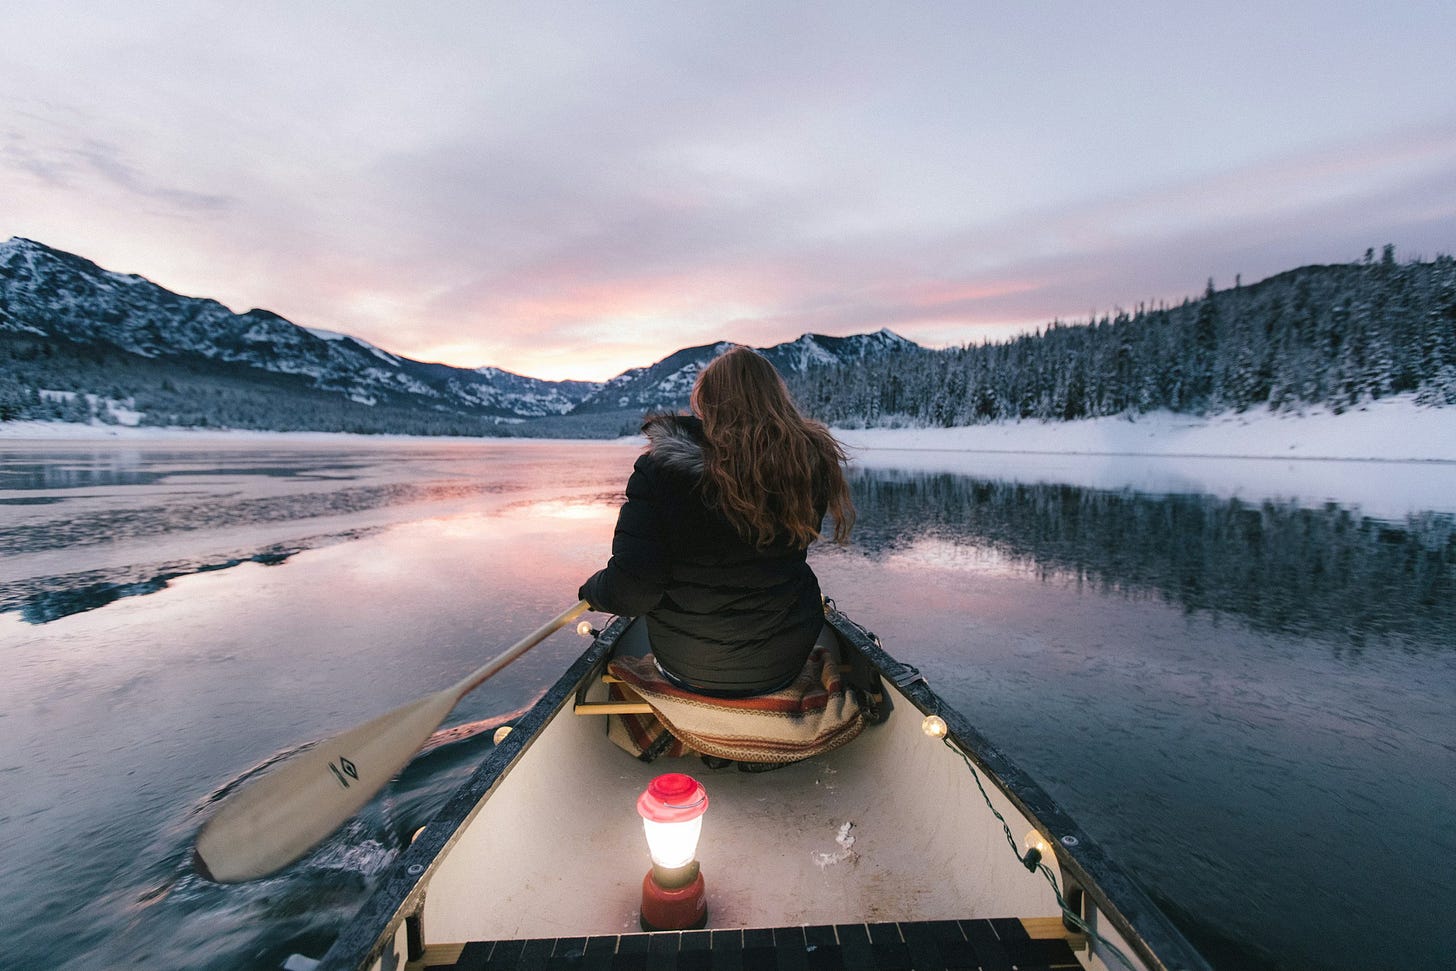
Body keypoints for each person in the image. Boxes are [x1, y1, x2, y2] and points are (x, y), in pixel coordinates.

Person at [579, 346, 855, 697]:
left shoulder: (660, 471)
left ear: (706, 405)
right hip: (783, 664)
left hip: (689, 668)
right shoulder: (804, 468)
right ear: (775, 399)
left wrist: (591, 591)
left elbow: (633, 591)